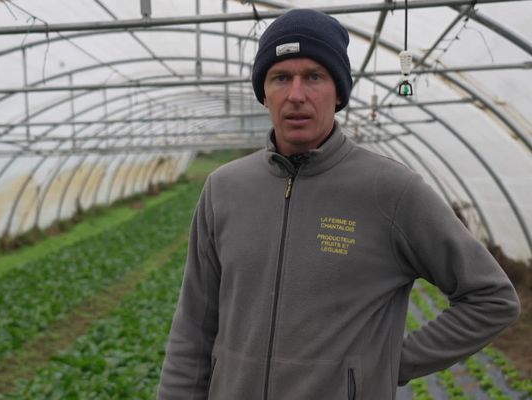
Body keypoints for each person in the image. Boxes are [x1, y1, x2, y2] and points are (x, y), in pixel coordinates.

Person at [157, 9, 520, 400]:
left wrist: (389, 364)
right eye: (281, 77)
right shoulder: (224, 189)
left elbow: (491, 297)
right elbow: (194, 327)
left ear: (340, 92)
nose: (296, 94)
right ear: (264, 94)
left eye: (314, 76)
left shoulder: (390, 190)